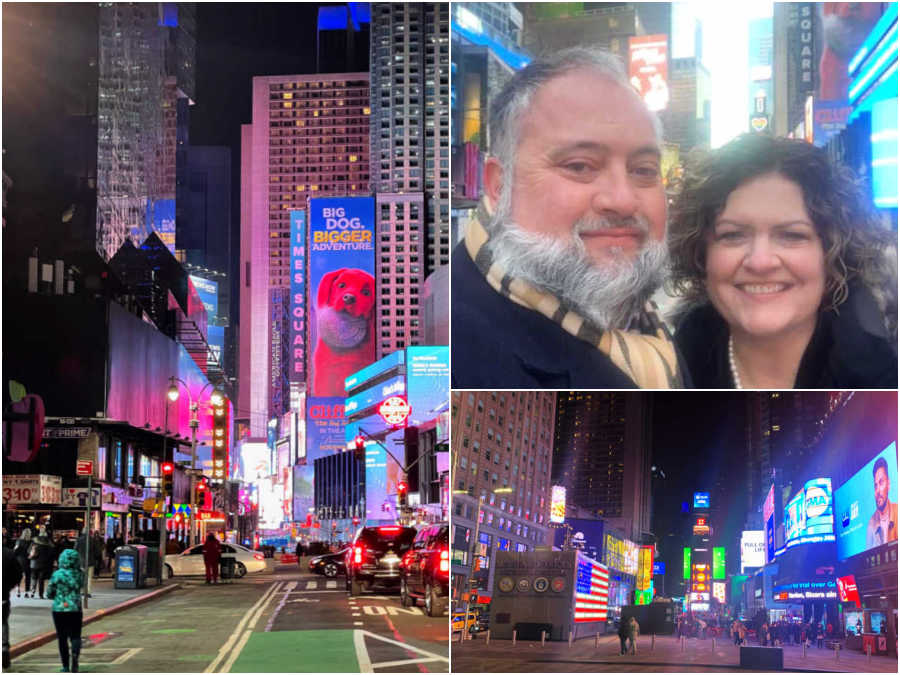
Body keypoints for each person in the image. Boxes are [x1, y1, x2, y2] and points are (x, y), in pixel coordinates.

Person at [451, 46, 686, 389]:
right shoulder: (452, 356)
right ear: (500, 185)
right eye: (579, 166)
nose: (622, 200)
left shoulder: (657, 327)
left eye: (644, 170)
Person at [669, 133, 897, 389]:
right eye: (732, 235)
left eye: (792, 235)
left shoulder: (882, 377)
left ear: (833, 253)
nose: (760, 262)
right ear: (701, 254)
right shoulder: (659, 373)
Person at [46, 549, 84, 673]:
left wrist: (55, 596)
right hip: (75, 608)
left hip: (59, 608)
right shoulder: (80, 574)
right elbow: (81, 587)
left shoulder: (57, 574)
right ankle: (75, 656)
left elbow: (50, 592)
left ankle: (65, 666)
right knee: (75, 635)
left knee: (62, 637)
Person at [866, 456, 898, 548]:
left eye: (881, 482)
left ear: (888, 484)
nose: (878, 490)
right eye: (875, 485)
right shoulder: (871, 524)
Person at [3, 542, 23, 669]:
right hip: (2, 595)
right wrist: (9, 586)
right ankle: (4, 649)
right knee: (3, 622)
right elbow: (18, 573)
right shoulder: (8, 554)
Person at [29, 531, 54, 599]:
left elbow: (28, 551)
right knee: (41, 580)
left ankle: (32, 592)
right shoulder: (49, 543)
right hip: (44, 564)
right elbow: (51, 554)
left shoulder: (34, 542)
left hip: (34, 563)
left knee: (34, 578)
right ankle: (41, 594)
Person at [13, 528, 32, 598]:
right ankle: (26, 592)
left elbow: (15, 551)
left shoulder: (19, 541)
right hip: (28, 560)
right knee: (28, 576)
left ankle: (18, 590)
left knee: (19, 576)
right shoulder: (31, 542)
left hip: (19, 560)